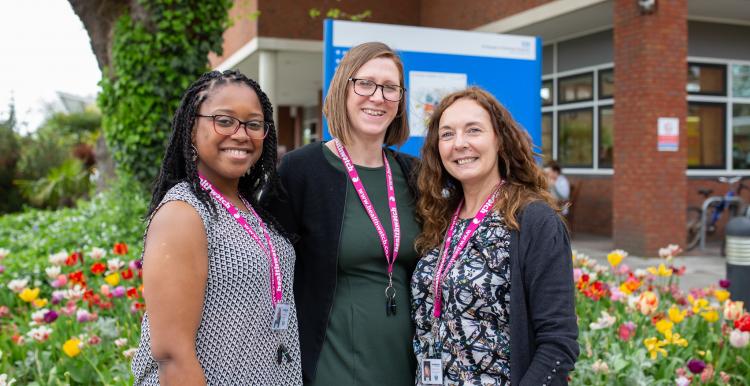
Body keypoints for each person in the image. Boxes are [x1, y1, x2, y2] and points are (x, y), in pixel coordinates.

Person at [131, 70, 302, 385]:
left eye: (253, 124)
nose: (241, 134)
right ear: (191, 128)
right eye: (224, 121)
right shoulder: (183, 213)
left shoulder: (250, 207)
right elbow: (173, 355)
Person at [269, 42, 420, 385]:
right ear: (342, 89)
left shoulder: (414, 174)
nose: (377, 96)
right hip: (331, 365)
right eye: (365, 83)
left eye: (390, 87)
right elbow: (268, 267)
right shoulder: (301, 170)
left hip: (405, 363)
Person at [411, 87, 579, 385]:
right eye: (447, 134)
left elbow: (558, 344)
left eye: (473, 130)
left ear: (499, 140)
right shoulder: (440, 218)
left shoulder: (534, 221)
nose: (459, 144)